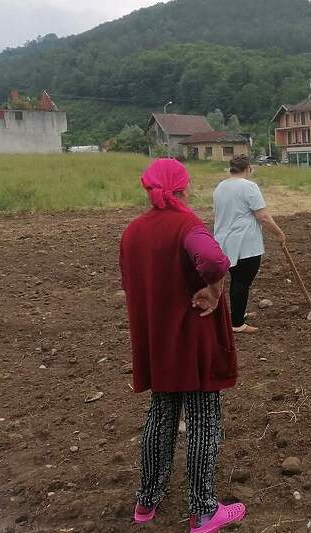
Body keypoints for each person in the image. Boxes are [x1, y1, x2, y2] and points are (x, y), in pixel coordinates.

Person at [120, 159, 247, 532]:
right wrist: (215, 287)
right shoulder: (187, 226)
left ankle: (146, 502)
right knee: (204, 420)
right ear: (183, 188)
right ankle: (204, 511)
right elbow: (213, 260)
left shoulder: (132, 232)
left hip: (158, 343)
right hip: (193, 340)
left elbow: (131, 284)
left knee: (161, 415)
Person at [213, 155, 286, 334]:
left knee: (237, 280)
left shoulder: (220, 187)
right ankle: (237, 323)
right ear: (248, 168)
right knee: (241, 282)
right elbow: (263, 217)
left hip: (224, 241)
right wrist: (279, 233)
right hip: (245, 243)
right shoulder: (249, 187)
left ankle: (239, 313)